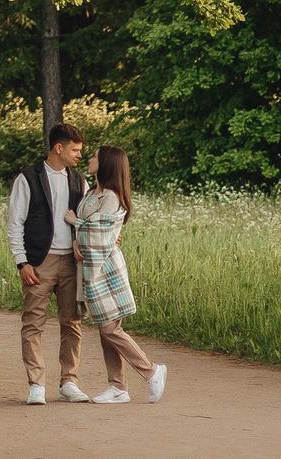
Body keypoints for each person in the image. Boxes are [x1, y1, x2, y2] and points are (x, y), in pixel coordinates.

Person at [72, 145, 168, 406]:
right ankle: (117, 386)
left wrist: (76, 223)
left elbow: (102, 236)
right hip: (92, 269)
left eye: (95, 156)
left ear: (107, 164)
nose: (89, 159)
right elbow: (90, 230)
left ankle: (150, 371)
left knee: (111, 328)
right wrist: (77, 236)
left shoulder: (111, 197)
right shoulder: (93, 193)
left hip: (106, 270)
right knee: (106, 328)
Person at [7, 122, 88, 405]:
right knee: (33, 323)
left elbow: (86, 220)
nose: (79, 155)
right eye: (75, 150)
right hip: (39, 262)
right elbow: (14, 223)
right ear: (59, 148)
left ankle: (69, 382)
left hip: (72, 262)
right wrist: (22, 262)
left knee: (72, 323)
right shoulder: (27, 179)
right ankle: (36, 384)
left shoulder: (79, 181)